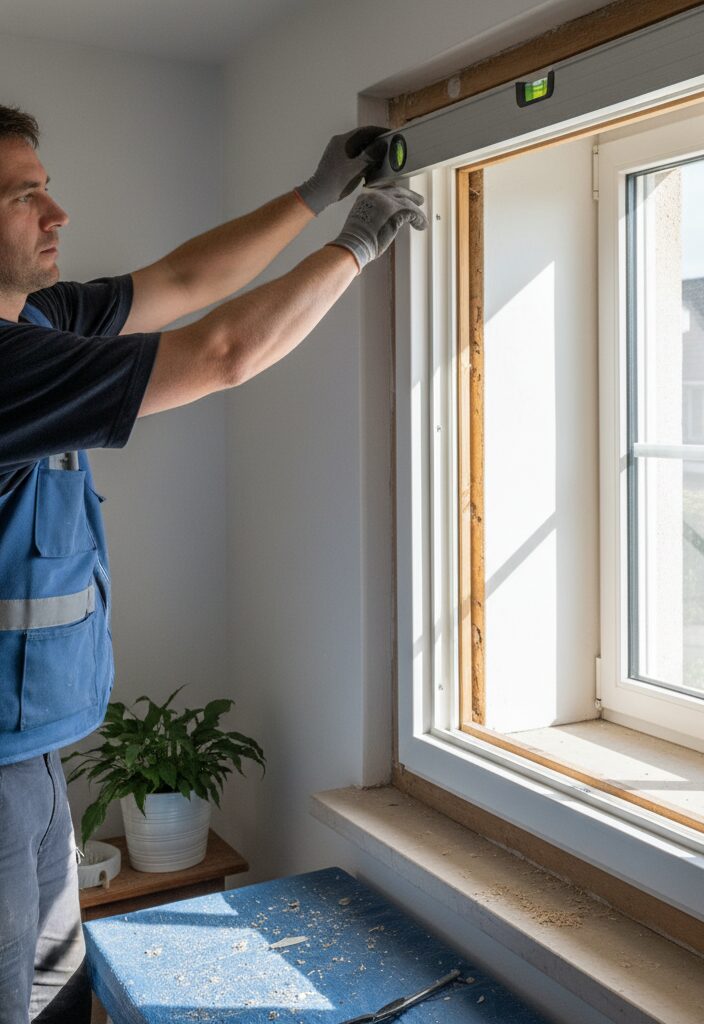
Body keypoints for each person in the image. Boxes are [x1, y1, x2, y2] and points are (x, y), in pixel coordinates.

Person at [0, 104, 426, 1023]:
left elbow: (187, 279)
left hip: (29, 755)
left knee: (55, 992)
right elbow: (222, 351)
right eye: (27, 195)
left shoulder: (38, 317)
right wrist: (355, 247)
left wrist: (315, 196)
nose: (56, 213)